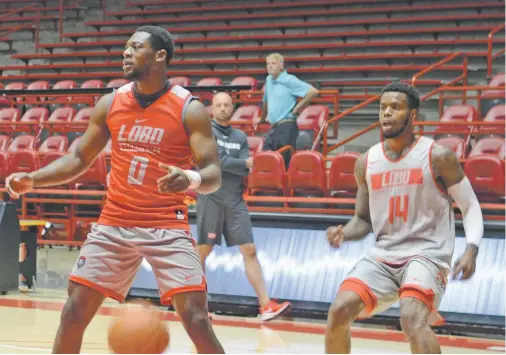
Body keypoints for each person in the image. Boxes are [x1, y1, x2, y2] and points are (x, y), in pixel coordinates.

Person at [5, 26, 225, 354]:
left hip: (165, 221)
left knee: (196, 318)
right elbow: (80, 157)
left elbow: (213, 174)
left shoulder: (187, 108)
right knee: (73, 311)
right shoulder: (111, 102)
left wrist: (189, 178)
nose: (126, 52)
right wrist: (34, 179)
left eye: (135, 47)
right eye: (125, 47)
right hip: (115, 221)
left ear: (160, 55)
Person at [325, 82, 483, 354]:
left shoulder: (437, 156)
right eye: (383, 107)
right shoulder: (366, 161)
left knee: (411, 317)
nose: (386, 113)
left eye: (395, 108)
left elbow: (469, 206)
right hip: (383, 255)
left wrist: (472, 249)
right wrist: (344, 231)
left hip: (427, 254)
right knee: (339, 310)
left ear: (412, 116)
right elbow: (363, 220)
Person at [197, 92, 292, 321]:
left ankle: (265, 305)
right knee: (202, 251)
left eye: (226, 105)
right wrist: (239, 164)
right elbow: (218, 162)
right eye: (218, 105)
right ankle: (197, 307)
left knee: (249, 249)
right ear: (212, 108)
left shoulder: (239, 136)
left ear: (232, 108)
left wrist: (236, 164)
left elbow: (245, 168)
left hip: (235, 199)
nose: (222, 108)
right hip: (211, 196)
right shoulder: (206, 131)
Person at [259, 52, 319, 166]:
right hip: (274, 127)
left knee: (282, 163)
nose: (270, 66)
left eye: (273, 63)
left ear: (281, 66)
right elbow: (265, 100)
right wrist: (261, 118)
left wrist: (298, 107)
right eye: (268, 64)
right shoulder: (268, 79)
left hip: (287, 125)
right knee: (265, 159)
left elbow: (313, 91)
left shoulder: (289, 80)